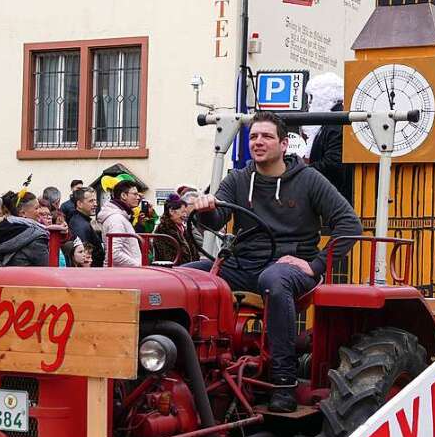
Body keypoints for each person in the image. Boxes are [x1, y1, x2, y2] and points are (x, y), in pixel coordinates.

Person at [190, 111, 362, 412]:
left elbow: (349, 224)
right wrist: (206, 208)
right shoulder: (239, 179)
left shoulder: (308, 180)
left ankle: (284, 381)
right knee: (185, 279)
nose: (258, 142)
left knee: (273, 279)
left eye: (266, 136)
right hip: (243, 263)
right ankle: (185, 367)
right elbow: (217, 218)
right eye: (253, 136)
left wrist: (316, 265)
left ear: (284, 144)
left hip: (290, 265)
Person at [303, 72, 353, 202]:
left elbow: (333, 163)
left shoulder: (335, 122)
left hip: (334, 196)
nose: (310, 103)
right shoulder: (333, 119)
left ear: (323, 95)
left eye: (312, 97)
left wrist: (303, 171)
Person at [0, 191, 49, 267]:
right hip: (28, 278)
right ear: (22, 213)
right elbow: (48, 268)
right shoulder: (36, 238)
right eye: (36, 208)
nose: (40, 211)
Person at [99, 180, 144, 267]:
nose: (138, 198)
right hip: (122, 274)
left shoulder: (121, 216)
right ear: (123, 195)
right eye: (135, 194)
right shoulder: (116, 219)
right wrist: (138, 265)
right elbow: (114, 254)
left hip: (122, 272)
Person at [154, 194, 200, 265]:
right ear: (171, 211)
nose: (185, 215)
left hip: (187, 269)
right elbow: (168, 258)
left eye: (186, 212)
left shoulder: (182, 228)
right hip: (174, 272)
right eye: (183, 212)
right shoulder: (163, 230)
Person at [67, 187, 104, 267]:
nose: (95, 204)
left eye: (95, 200)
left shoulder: (80, 221)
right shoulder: (80, 225)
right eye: (91, 201)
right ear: (79, 204)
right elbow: (83, 257)